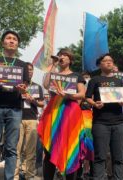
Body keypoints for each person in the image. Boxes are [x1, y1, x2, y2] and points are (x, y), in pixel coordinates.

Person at [0, 30, 29, 180]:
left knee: (11, 148)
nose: (11, 41)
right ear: (3, 43)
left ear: (17, 44)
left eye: (14, 39)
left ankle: (10, 177)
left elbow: (25, 87)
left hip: (15, 109)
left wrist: (23, 89)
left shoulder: (22, 65)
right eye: (8, 38)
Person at [38, 48, 86, 180]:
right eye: (60, 55)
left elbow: (82, 94)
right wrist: (53, 65)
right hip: (54, 111)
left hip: (70, 111)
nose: (62, 57)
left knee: (71, 145)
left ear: (70, 60)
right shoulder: (54, 73)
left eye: (65, 55)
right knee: (50, 147)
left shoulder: (76, 76)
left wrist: (68, 95)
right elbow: (46, 85)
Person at [85, 53, 123, 179]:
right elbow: (87, 97)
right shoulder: (94, 80)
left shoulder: (119, 81)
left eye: (111, 60)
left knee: (119, 157)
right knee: (100, 156)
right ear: (100, 64)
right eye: (105, 61)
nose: (109, 62)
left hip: (119, 122)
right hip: (100, 122)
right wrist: (94, 104)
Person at [14, 62, 44, 180]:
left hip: (32, 119)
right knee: (15, 149)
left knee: (31, 150)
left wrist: (34, 101)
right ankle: (14, 176)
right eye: (27, 70)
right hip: (17, 118)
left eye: (31, 70)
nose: (29, 72)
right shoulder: (15, 85)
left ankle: (29, 175)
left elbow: (42, 103)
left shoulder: (37, 86)